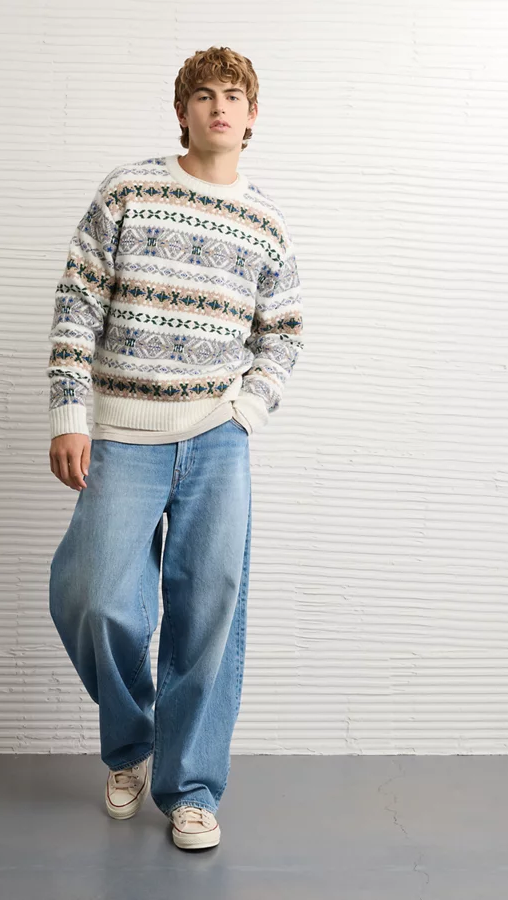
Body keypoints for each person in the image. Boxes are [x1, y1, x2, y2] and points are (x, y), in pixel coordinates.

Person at [46, 46, 305, 851]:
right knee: (93, 597)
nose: (219, 107)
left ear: (252, 116)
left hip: (218, 439)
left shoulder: (265, 221)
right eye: (203, 95)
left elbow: (284, 332)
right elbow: (77, 303)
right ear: (182, 111)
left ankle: (190, 788)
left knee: (209, 613)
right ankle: (131, 742)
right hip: (123, 434)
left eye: (233, 96)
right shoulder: (127, 191)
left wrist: (247, 411)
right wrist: (69, 413)